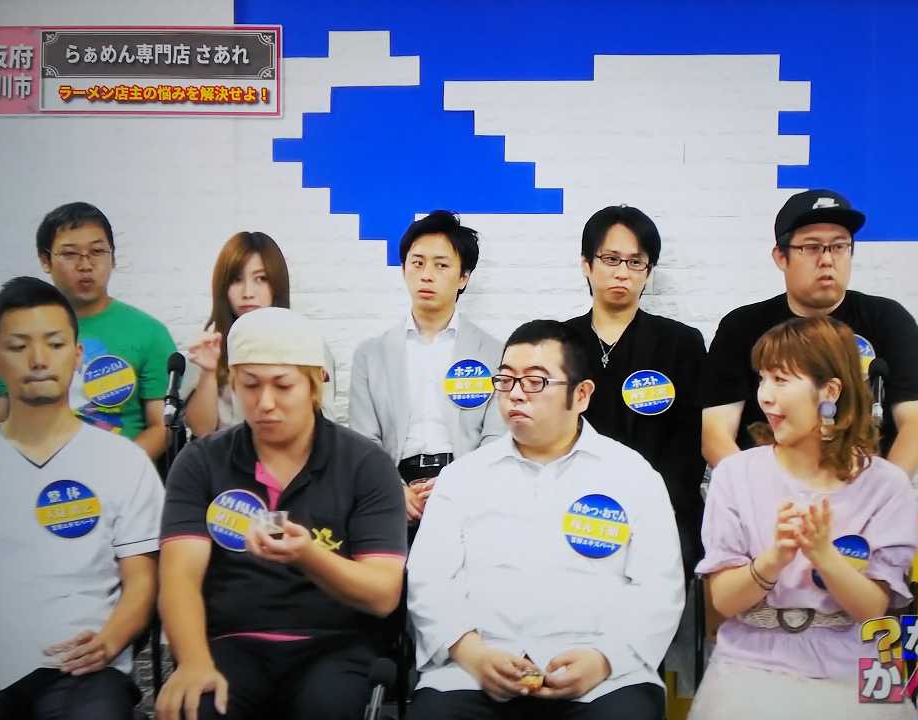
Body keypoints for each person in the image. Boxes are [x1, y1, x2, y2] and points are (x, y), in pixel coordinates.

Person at [407, 320, 683, 719]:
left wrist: (604, 659)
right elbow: (429, 578)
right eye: (506, 380)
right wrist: (470, 652)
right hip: (476, 673)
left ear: (581, 394)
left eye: (535, 381)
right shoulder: (463, 477)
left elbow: (660, 586)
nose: (516, 394)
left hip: (602, 677)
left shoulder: (632, 475)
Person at [0, 277, 163, 719]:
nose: (38, 360)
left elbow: (142, 578)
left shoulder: (125, 461)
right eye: (18, 346)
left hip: (84, 662)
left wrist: (111, 640)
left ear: (77, 355)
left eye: (54, 344)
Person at [155, 307, 406, 720]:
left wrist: (309, 556)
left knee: (327, 708)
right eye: (250, 385)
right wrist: (194, 662)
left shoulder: (365, 464)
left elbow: (382, 595)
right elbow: (179, 577)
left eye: (283, 385)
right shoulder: (201, 463)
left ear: (315, 384)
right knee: (199, 705)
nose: (265, 403)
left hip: (336, 644)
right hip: (230, 644)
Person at [689, 316, 918, 719]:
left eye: (781, 380)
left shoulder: (887, 485)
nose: (765, 397)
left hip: (853, 666)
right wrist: (775, 558)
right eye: (762, 379)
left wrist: (824, 556)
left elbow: (874, 611)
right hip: (749, 664)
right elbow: (723, 600)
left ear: (829, 391)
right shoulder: (735, 474)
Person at [701, 189, 918, 478]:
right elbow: (715, 434)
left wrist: (880, 495)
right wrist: (762, 494)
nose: (827, 259)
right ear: (781, 256)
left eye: (839, 246)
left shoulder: (887, 319)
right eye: (812, 247)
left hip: (865, 491)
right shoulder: (742, 326)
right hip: (767, 494)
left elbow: (916, 427)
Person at [0, 202, 176, 459]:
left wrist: (118, 470)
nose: (85, 265)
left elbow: (162, 427)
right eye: (70, 254)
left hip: (117, 472)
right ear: (45, 260)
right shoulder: (12, 336)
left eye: (97, 251)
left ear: (113, 258)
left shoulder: (149, 333)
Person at [562, 205, 706, 575]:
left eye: (635, 262)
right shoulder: (558, 342)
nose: (622, 272)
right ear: (586, 265)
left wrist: (645, 503)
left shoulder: (681, 343)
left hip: (661, 508)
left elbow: (690, 448)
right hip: (572, 506)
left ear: (648, 272)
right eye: (611, 259)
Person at [349, 210, 505, 533]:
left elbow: (496, 437)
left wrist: (457, 483)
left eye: (441, 265)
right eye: (417, 263)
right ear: (403, 269)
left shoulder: (493, 353)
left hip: (468, 491)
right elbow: (364, 440)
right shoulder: (370, 354)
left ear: (464, 277)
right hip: (391, 490)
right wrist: (392, 488)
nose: (426, 275)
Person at [182, 231, 337, 437]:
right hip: (224, 455)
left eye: (261, 279)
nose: (248, 292)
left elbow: (325, 425)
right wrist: (208, 373)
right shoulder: (208, 347)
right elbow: (201, 430)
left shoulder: (307, 344)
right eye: (236, 280)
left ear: (277, 284)